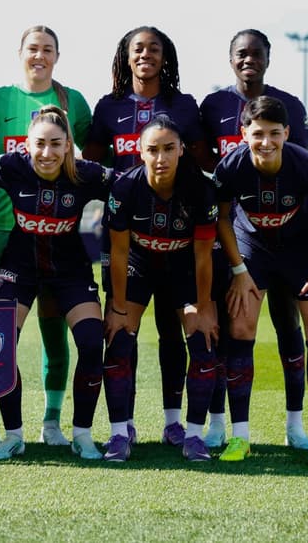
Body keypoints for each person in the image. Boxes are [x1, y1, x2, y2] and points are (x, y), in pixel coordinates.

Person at [0, 25, 92, 449]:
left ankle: (52, 421)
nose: (39, 56)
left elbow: (88, 164)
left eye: (47, 49)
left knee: (55, 332)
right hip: (4, 234)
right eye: (32, 49)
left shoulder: (74, 101)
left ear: (58, 55)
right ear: (19, 53)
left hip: (56, 237)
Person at [82, 25, 203, 448]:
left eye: (154, 48)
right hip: (127, 238)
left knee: (174, 333)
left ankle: (174, 423)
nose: (145, 55)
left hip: (176, 240)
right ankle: (124, 425)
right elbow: (90, 167)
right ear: (126, 57)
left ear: (165, 57)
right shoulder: (109, 106)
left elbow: (204, 164)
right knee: (120, 330)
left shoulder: (184, 106)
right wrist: (122, 196)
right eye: (138, 49)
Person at [0, 105, 113, 461]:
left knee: (91, 344)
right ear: (27, 145)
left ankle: (82, 434)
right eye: (40, 144)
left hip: (71, 271)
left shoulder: (86, 174)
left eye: (55, 144)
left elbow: (131, 183)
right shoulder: (11, 166)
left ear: (68, 146)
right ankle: (14, 434)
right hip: (19, 268)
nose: (47, 153)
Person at [214, 96, 308, 464]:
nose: (266, 142)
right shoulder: (231, 167)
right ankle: (240, 437)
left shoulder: (305, 165)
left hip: (302, 249)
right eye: (258, 134)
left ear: (287, 133)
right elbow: (222, 217)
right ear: (244, 134)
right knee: (240, 324)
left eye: (275, 133)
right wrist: (239, 270)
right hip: (254, 247)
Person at [199, 28, 308, 450]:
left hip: (288, 236)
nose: (249, 60)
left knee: (289, 326)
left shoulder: (290, 106)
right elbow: (201, 157)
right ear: (231, 59)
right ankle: (218, 423)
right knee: (231, 330)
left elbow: (300, 167)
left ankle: (295, 425)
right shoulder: (212, 104)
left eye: (257, 54)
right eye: (241, 54)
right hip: (237, 235)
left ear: (268, 58)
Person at [104, 116, 219, 462]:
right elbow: (119, 253)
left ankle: (191, 434)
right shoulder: (124, 188)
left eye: (169, 148)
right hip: (139, 265)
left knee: (202, 338)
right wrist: (119, 306)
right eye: (152, 150)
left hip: (182, 267)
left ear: (182, 150)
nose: (161, 158)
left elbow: (202, 256)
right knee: (120, 335)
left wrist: (204, 305)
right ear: (140, 152)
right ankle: (119, 432)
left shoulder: (200, 189)